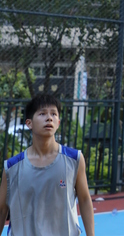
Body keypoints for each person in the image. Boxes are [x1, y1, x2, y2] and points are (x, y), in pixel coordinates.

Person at [0, 93, 94, 236]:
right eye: (42, 113)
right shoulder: (12, 167)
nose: (49, 118)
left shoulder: (74, 159)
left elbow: (85, 199)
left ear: (58, 123)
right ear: (29, 123)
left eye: (53, 114)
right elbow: (2, 209)